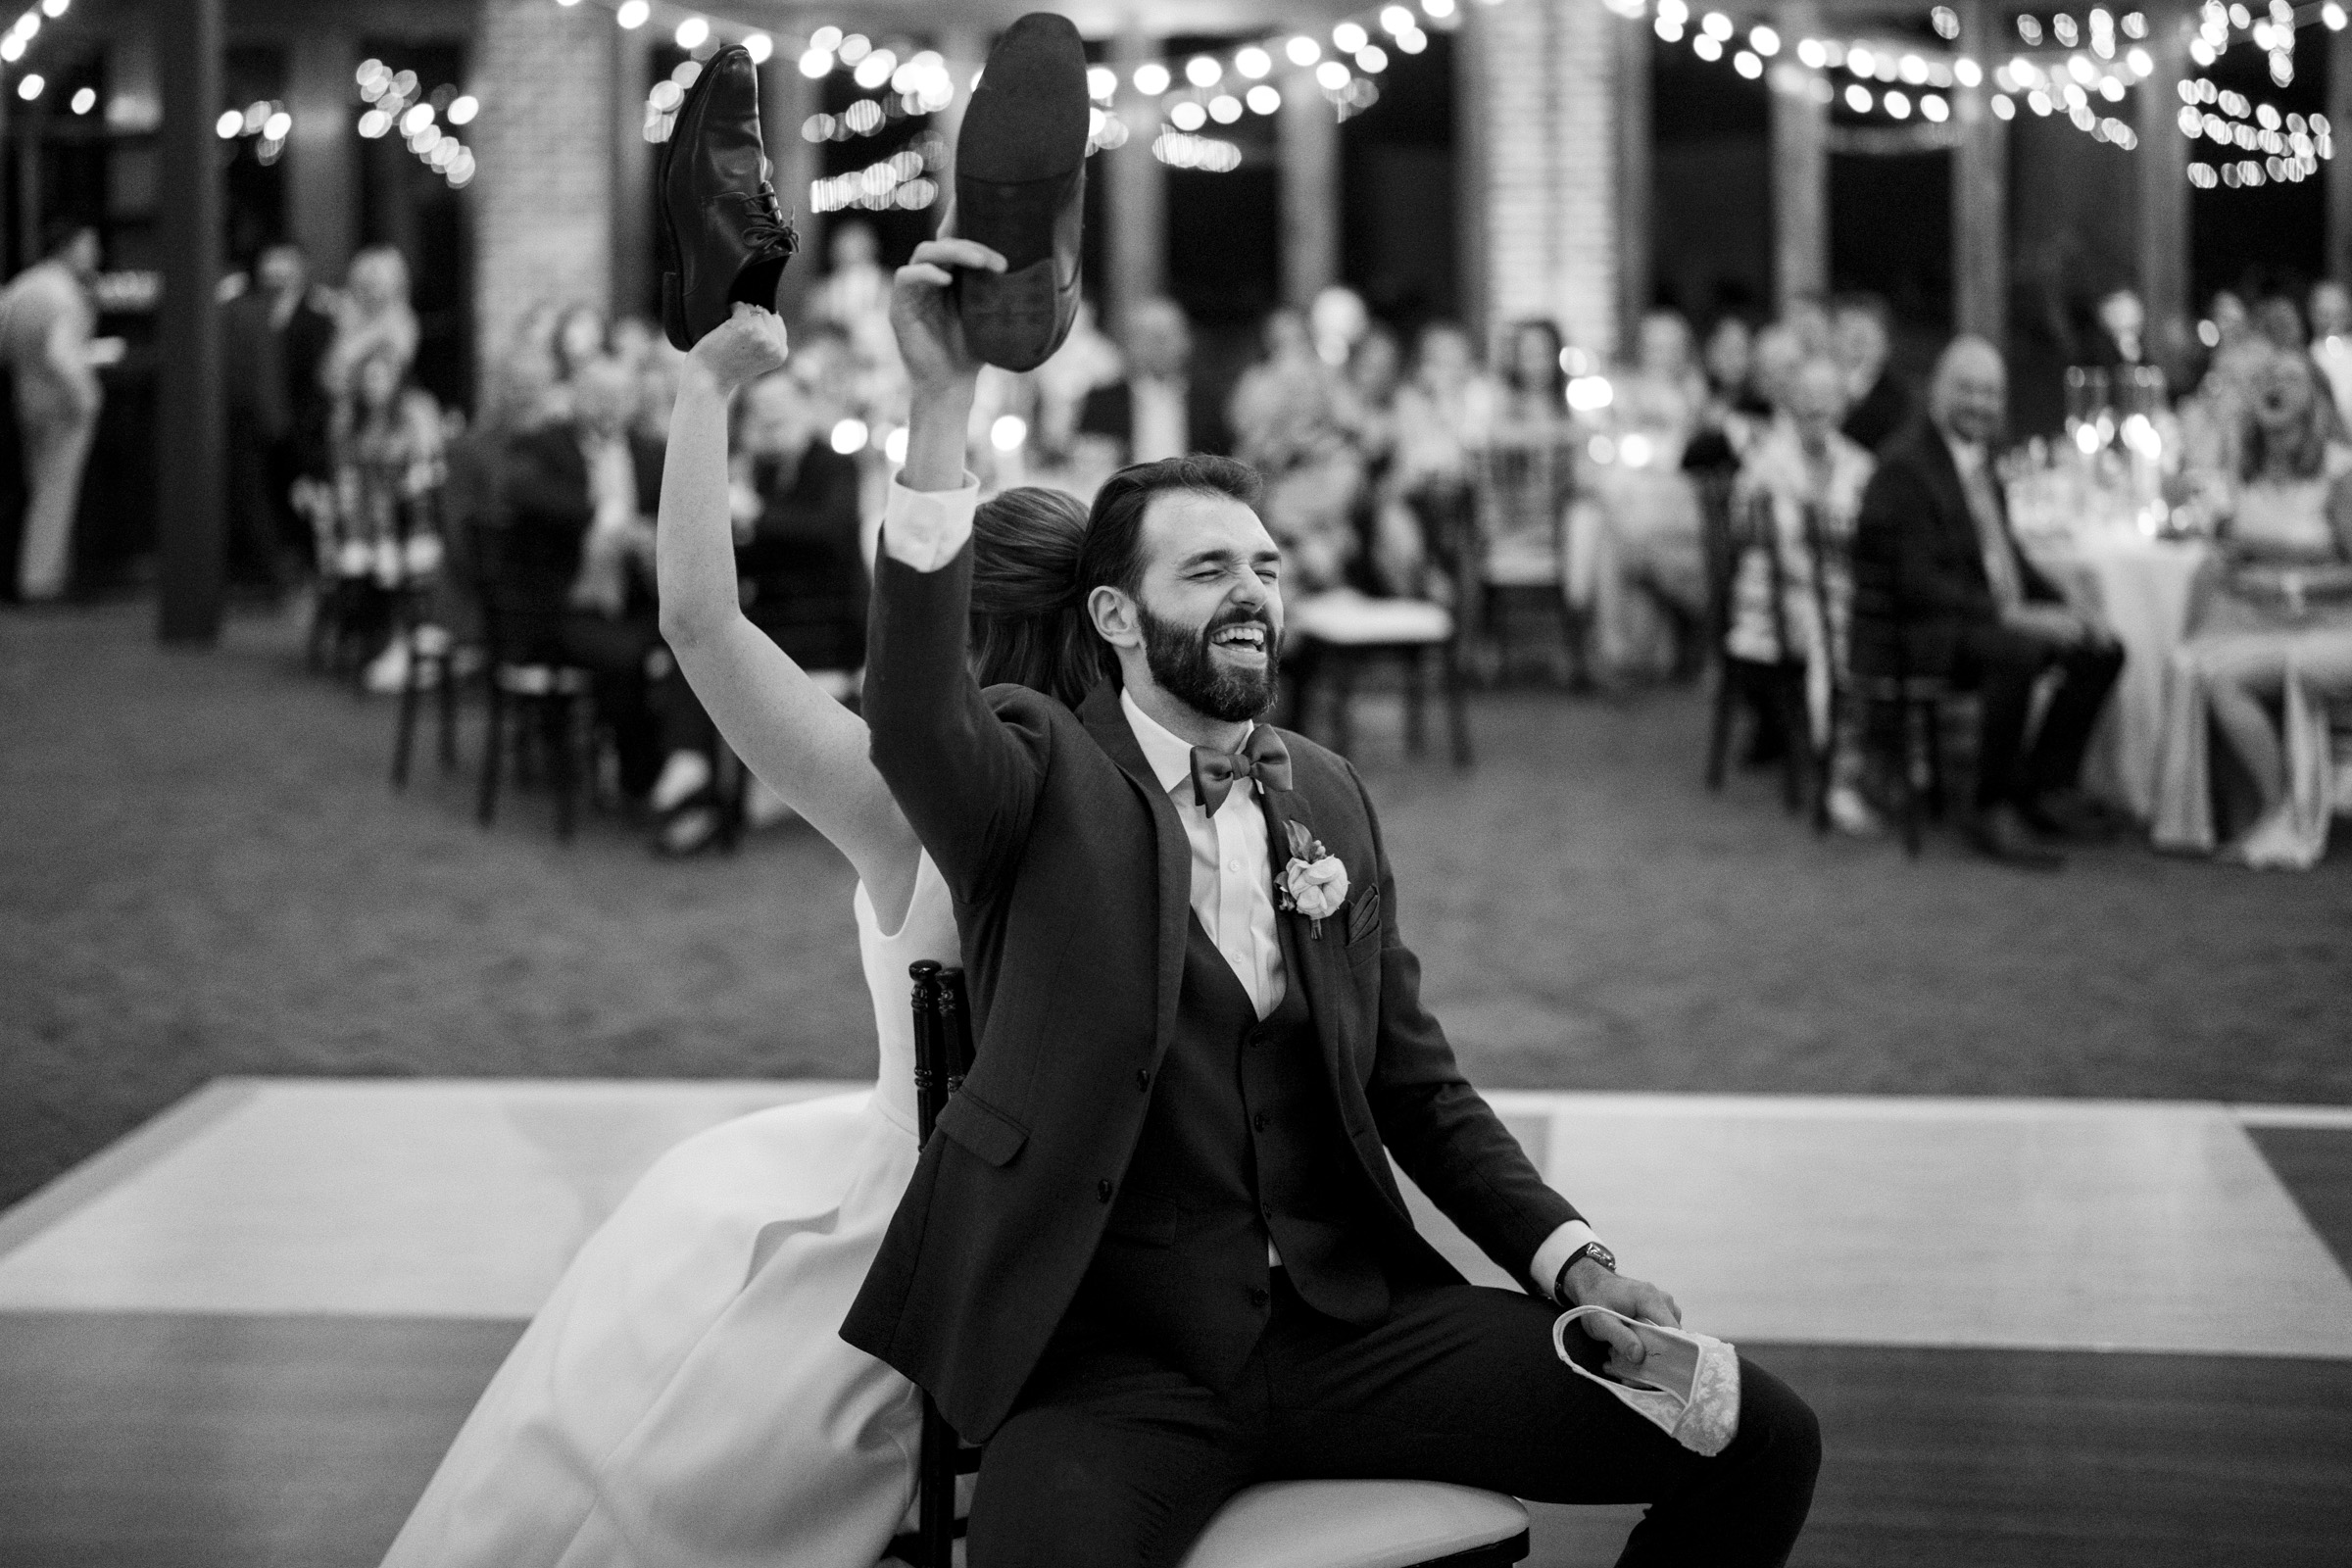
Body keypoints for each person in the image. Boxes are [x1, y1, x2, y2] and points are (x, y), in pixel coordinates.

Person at [854, 220, 1820, 1568]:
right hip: (1116, 1366)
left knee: (1754, 1433)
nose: (1252, 592)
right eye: (1206, 571)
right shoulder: (1035, 774)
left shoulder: (1329, 793)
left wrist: (1574, 1262)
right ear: (1117, 623)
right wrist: (942, 404)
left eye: (1264, 566)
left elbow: (1417, 1086)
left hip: (1350, 1332)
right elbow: (907, 713)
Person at [383, 292, 1113, 1564]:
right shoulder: (1155, 807)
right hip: (1121, 1238)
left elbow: (699, 625)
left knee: (677, 1236)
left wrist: (704, 392)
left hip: (923, 1231)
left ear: (961, 635)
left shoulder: (901, 805)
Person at [1851, 337, 2127, 869]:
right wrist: (2014, 614)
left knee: (2102, 649)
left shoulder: (1979, 462)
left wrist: (2067, 604)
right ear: (1938, 391)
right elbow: (1917, 585)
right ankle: (1989, 803)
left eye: (1992, 393)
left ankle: (2046, 789)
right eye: (1968, 390)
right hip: (1913, 633)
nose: (1981, 404)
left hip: (1964, 618)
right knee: (2018, 651)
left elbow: (2004, 556)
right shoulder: (1904, 467)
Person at [2153, 348, 2352, 867]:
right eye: (2268, 378)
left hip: (2326, 624)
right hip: (2253, 620)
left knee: (2236, 676)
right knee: (2191, 666)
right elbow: (2224, 548)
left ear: (2314, 397)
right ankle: (2237, 811)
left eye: (2290, 379)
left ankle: (2286, 811)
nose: (2275, 387)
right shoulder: (2244, 471)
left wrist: (2290, 583)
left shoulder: (2339, 474)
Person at [1726, 357, 1879, 830]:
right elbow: (1749, 536)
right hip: (1772, 607)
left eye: (1827, 396)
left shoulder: (1862, 465)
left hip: (1841, 595)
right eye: (1806, 397)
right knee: (1835, 630)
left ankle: (1886, 759)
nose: (1817, 406)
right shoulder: (1765, 461)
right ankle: (1840, 774)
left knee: (1874, 619)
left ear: (1843, 404)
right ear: (1790, 404)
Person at [3, 222, 103, 602]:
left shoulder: (24, 285)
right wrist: (88, 395)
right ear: (68, 247)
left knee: (39, 487)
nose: (94, 254)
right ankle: (43, 580)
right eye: (88, 244)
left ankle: (39, 575)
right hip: (62, 404)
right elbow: (60, 355)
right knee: (55, 493)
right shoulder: (63, 294)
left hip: (26, 397)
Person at [1077, 296, 1231, 466]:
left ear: (1186, 342)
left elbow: (1223, 462)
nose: (1158, 347)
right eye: (1147, 337)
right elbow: (1086, 457)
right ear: (1130, 344)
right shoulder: (1102, 401)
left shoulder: (1207, 401)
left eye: (1165, 337)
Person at [1832, 294, 1912, 454]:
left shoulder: (1901, 403)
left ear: (1886, 346)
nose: (1856, 349)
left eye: (1862, 340)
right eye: (1846, 334)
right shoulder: (1812, 388)